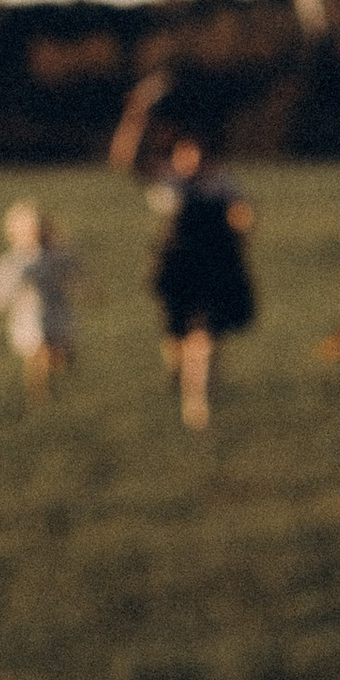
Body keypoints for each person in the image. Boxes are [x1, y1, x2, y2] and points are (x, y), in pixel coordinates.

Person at [110, 73, 255, 432]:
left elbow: (241, 211)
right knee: (178, 341)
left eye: (200, 151)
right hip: (176, 271)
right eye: (187, 151)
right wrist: (136, 113)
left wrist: (244, 220)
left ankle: (199, 405)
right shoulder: (168, 181)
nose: (194, 157)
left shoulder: (222, 181)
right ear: (177, 154)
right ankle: (183, 375)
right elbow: (124, 160)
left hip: (215, 268)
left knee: (204, 338)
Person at [0, 200, 80, 401]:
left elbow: (72, 271)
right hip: (29, 313)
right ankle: (39, 395)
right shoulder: (16, 261)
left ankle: (45, 388)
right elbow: (1, 286)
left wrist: (86, 290)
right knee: (39, 352)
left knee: (59, 351)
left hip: (56, 309)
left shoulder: (56, 254)